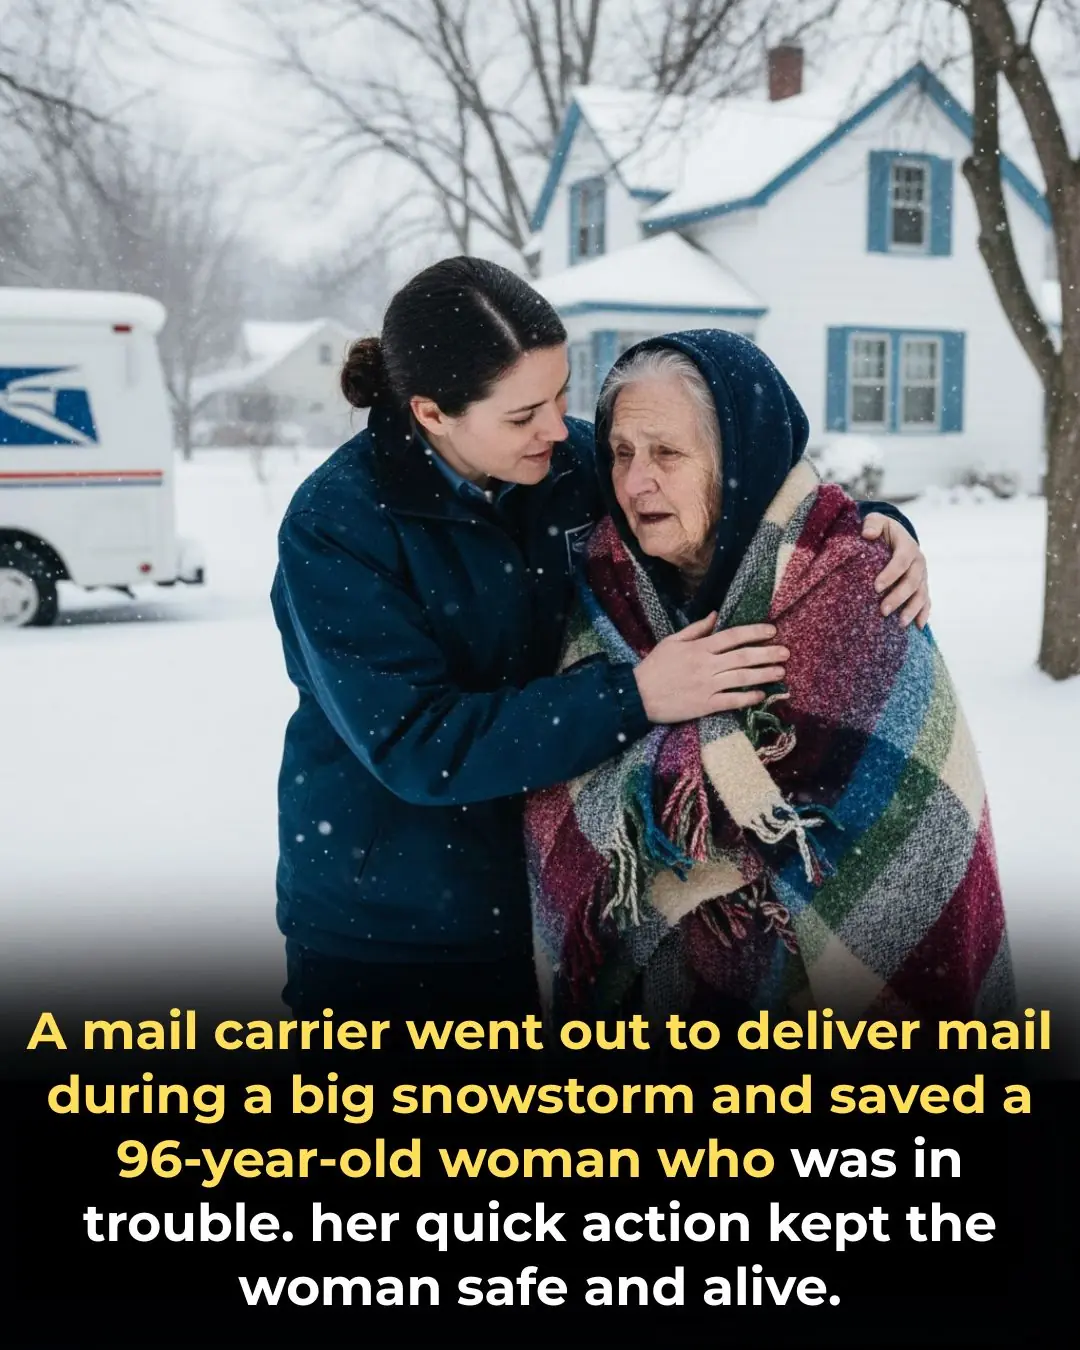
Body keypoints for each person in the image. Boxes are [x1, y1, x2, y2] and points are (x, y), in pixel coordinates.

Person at [270, 258, 930, 1019]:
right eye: (523, 415)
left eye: (559, 395)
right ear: (431, 413)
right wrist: (635, 694)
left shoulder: (571, 463)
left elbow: (737, 496)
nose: (557, 428)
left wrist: (867, 535)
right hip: (394, 927)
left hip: (559, 899)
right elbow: (419, 743)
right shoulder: (338, 525)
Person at [526, 331, 1014, 1022]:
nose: (636, 482)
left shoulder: (853, 583)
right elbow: (560, 781)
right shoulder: (602, 585)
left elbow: (909, 823)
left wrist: (686, 782)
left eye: (667, 453)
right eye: (622, 454)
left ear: (739, 459)